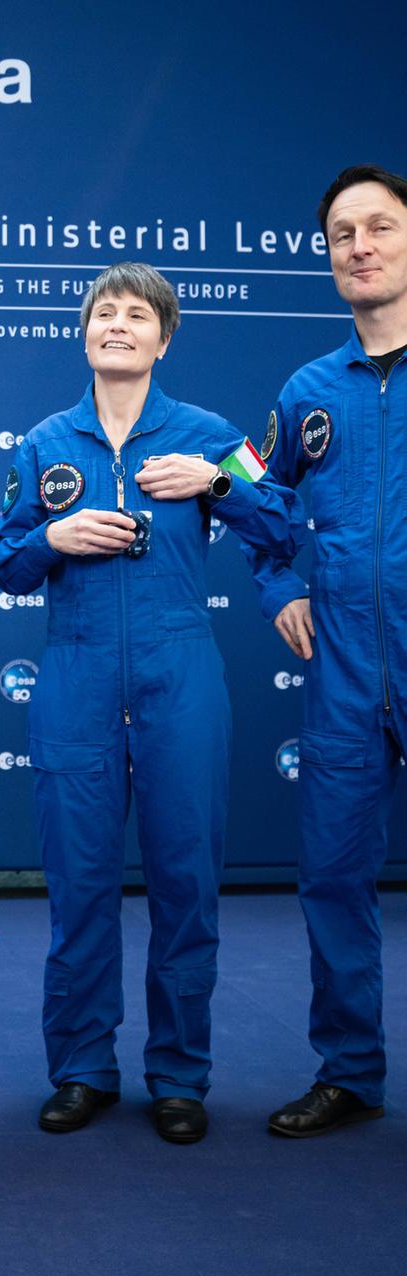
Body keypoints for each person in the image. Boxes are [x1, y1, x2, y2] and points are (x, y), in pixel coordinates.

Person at [0, 263, 302, 1144]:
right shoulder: (47, 442)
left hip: (180, 674)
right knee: (80, 886)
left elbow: (278, 522)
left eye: (137, 315)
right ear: (84, 335)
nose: (116, 324)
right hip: (76, 676)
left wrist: (216, 482)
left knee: (186, 885)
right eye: (103, 313)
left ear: (164, 339)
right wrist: (52, 536)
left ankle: (178, 1076)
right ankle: (82, 1069)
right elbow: (1, 561)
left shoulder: (209, 435)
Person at [250, 165, 407, 1138]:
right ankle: (349, 1071)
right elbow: (263, 497)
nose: (361, 245)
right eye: (343, 233)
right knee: (335, 874)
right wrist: (279, 585)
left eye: (381, 226)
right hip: (347, 664)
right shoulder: (308, 390)